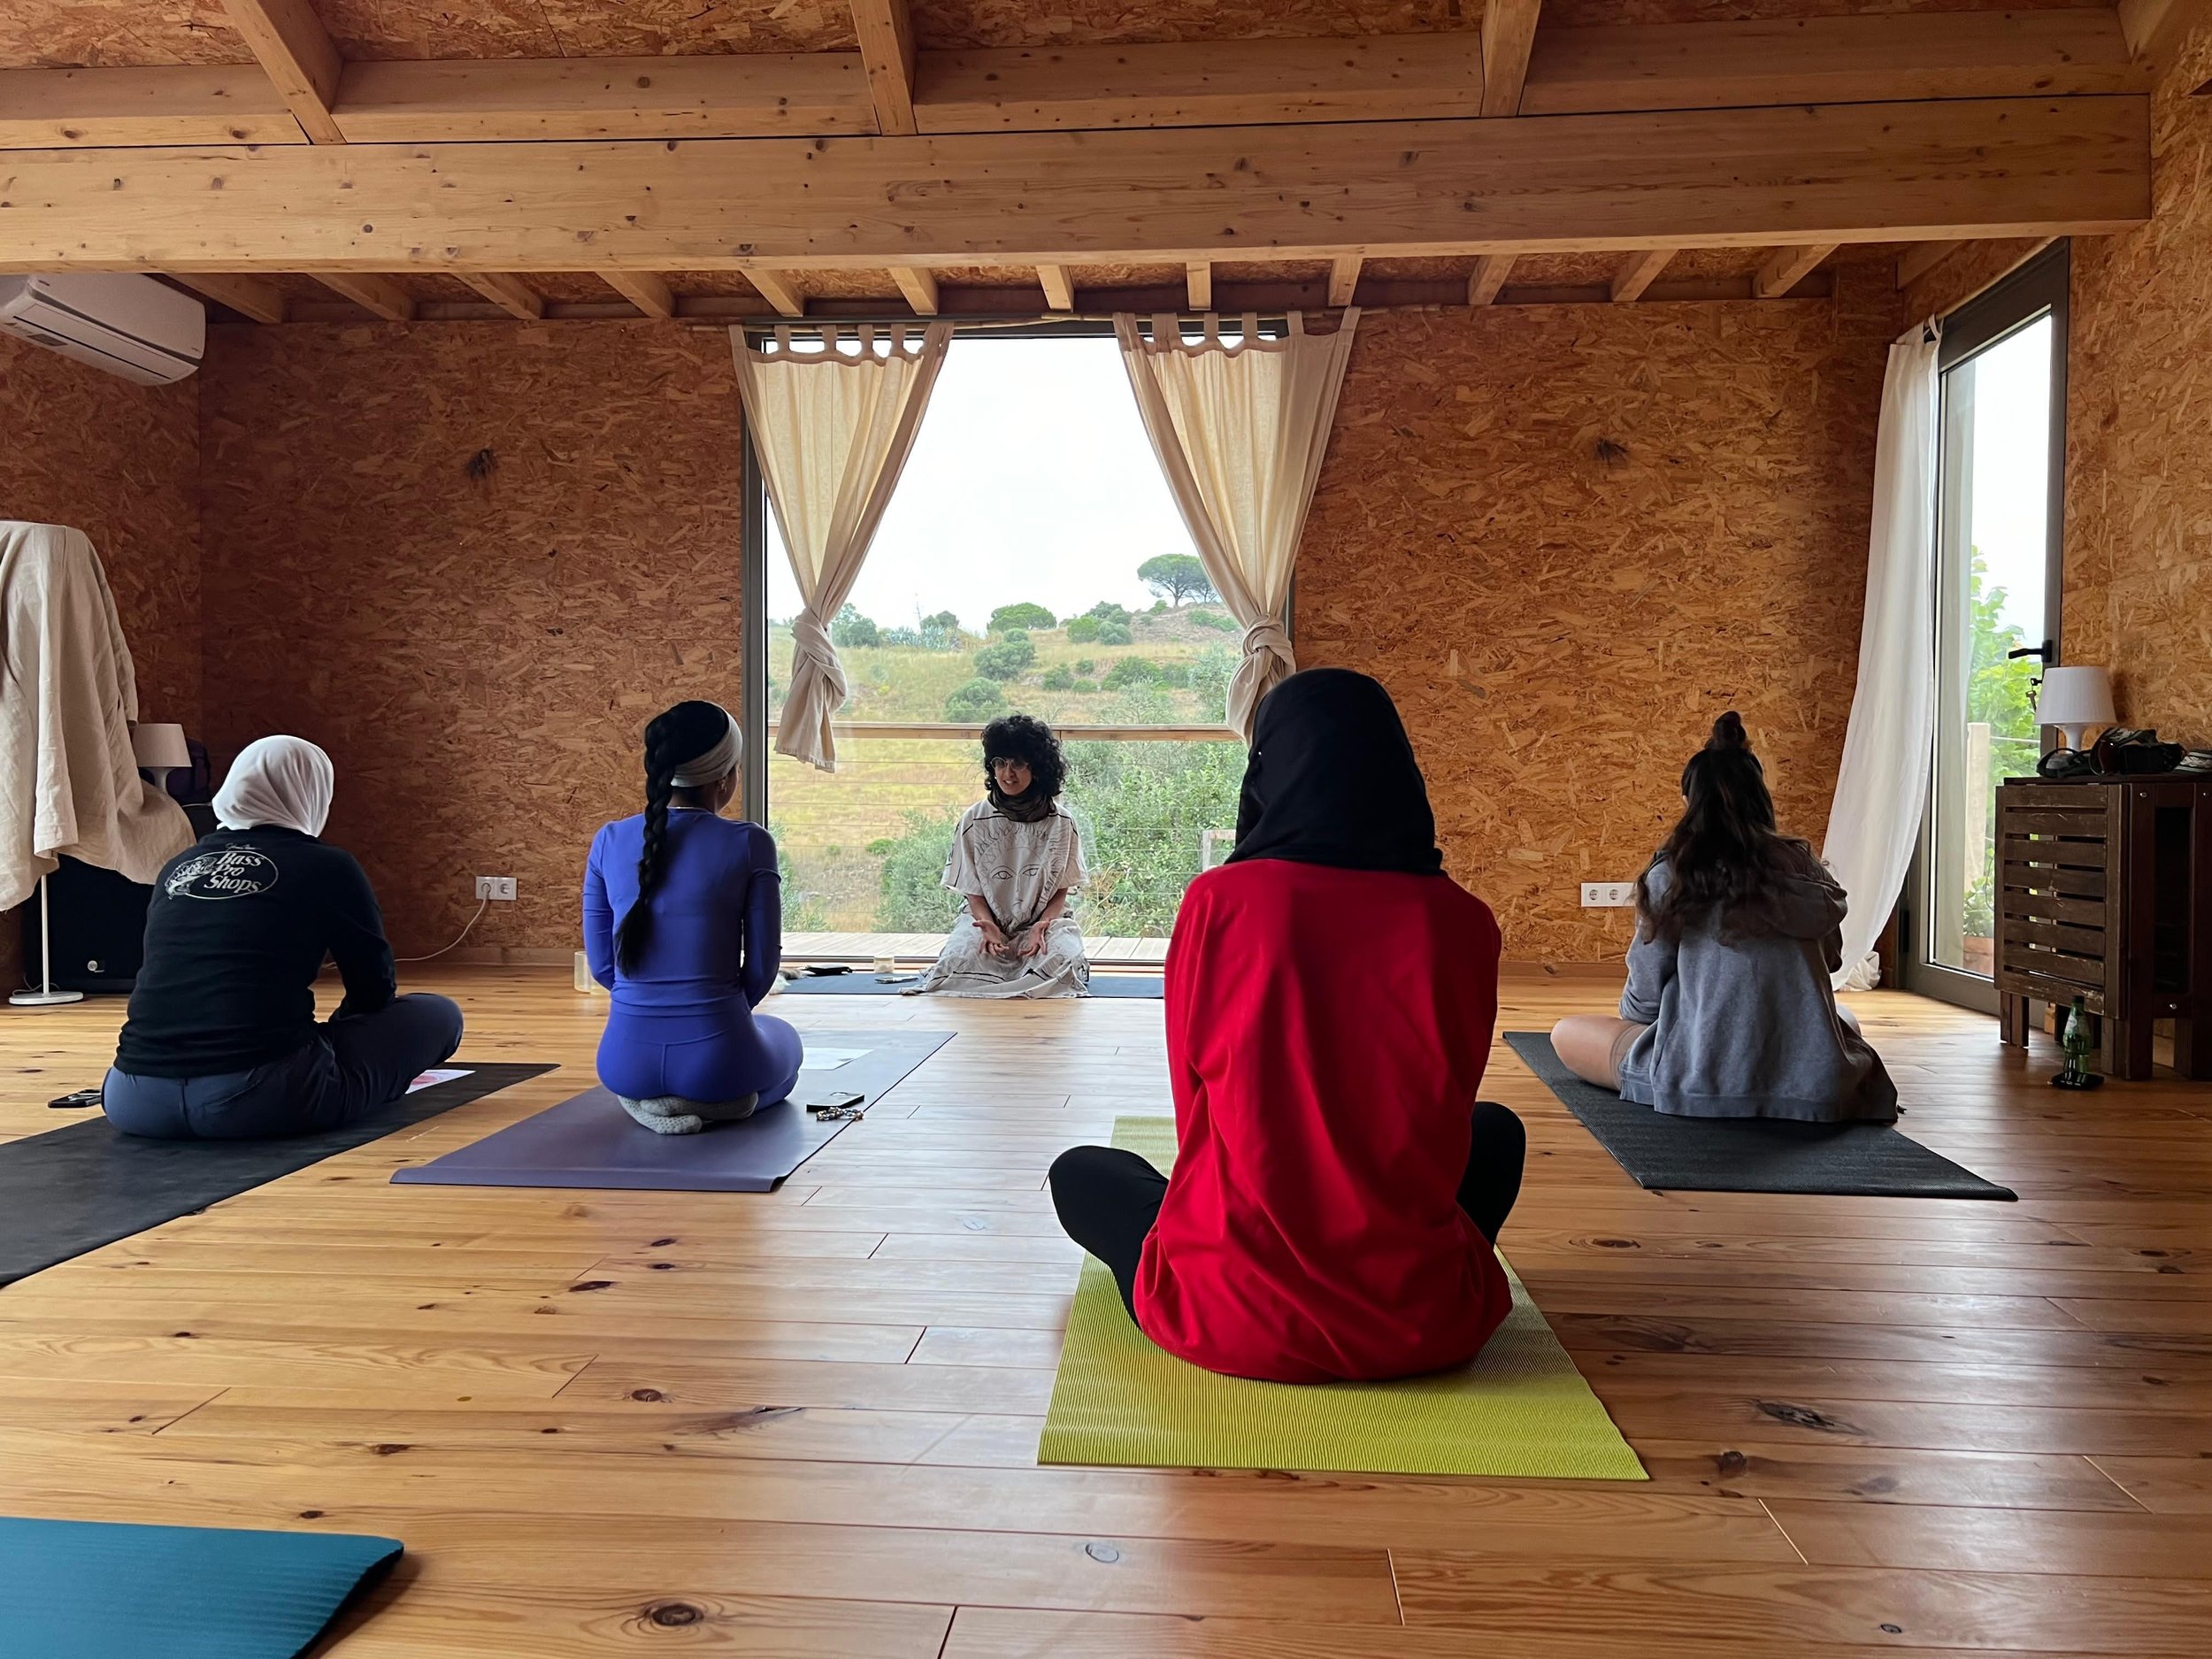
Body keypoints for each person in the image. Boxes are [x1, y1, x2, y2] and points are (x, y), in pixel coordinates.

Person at [1048, 668, 1523, 1385]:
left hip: (1231, 1313)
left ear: (1268, 769)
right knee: (1496, 1131)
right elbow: (1445, 1107)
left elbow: (1194, 1101)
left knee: (1079, 1173)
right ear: (1399, 774)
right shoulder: (1464, 922)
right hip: (1424, 1321)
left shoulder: (1220, 903)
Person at [103, 736, 464, 1141]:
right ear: (313, 791)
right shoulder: (327, 865)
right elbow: (373, 989)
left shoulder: (180, 865)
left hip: (131, 1099)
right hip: (260, 1099)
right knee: (440, 1015)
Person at [1549, 711, 1898, 1122]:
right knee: (1844, 1019)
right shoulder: (1808, 872)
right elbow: (1832, 963)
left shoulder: (1672, 875)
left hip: (1698, 1081)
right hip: (1818, 1089)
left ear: (1688, 803)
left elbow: (1643, 1004)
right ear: (1761, 802)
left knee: (1565, 1033)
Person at [583, 700, 803, 1133]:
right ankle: (724, 1105)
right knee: (787, 1048)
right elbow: (761, 970)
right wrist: (717, 1020)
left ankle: (650, 1104)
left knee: (745, 1046)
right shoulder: (751, 842)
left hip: (621, 1063)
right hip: (717, 1062)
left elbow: (603, 967)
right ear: (725, 779)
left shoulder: (608, 839)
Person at [912, 713, 1090, 999]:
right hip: (985, 920)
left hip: (1045, 921)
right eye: (1000, 763)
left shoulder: (1061, 821)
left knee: (1062, 961)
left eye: (1018, 764)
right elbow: (972, 889)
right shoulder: (974, 819)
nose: (1008, 773)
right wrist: (989, 926)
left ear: (1038, 768)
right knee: (955, 963)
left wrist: (1042, 926)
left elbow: (1061, 888)